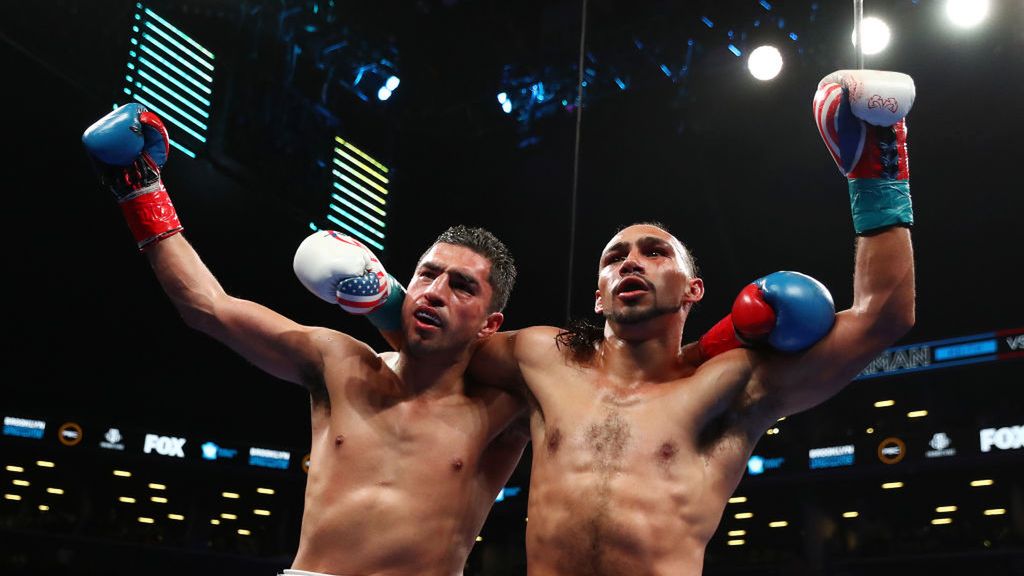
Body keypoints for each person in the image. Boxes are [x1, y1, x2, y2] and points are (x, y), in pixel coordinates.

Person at [463, 68, 917, 575]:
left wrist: (876, 174)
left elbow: (883, 319)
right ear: (598, 297)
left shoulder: (728, 385)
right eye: (614, 258)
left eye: (654, 252)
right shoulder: (542, 358)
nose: (631, 263)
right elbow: (437, 348)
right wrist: (397, 297)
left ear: (693, 290)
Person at [82, 103, 531, 576]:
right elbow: (208, 308)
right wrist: (141, 191)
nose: (435, 292)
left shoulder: (504, 407)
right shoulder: (341, 362)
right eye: (427, 274)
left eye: (462, 286)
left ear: (491, 324)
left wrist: (387, 305)